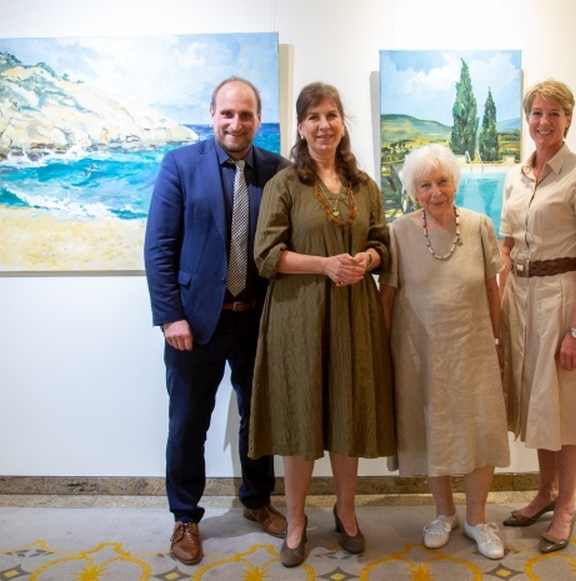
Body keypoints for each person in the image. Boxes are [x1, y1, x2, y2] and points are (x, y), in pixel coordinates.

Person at [249, 82, 395, 568]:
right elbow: (266, 255)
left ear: (342, 123)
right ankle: (295, 521)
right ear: (300, 127)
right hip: (299, 317)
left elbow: (382, 245)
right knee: (301, 415)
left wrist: (367, 259)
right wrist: (326, 265)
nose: (323, 125)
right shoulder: (284, 185)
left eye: (331, 115)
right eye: (313, 117)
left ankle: (346, 512)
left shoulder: (364, 186)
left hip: (354, 315)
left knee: (347, 413)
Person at [144, 76, 289, 566]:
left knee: (259, 420)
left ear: (259, 119)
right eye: (227, 113)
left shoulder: (278, 170)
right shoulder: (180, 164)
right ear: (212, 115)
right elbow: (159, 247)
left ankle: (257, 500)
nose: (235, 123)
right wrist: (171, 317)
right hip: (195, 325)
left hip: (258, 321)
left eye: (246, 114)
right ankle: (185, 516)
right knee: (188, 425)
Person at [379, 144, 510, 560]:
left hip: (474, 346)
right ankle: (444, 514)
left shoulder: (479, 226)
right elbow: (387, 295)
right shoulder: (398, 232)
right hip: (419, 349)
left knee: (480, 428)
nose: (435, 192)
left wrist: (498, 341)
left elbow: (492, 288)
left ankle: (477, 519)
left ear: (455, 182)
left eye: (442, 181)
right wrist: (382, 351)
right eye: (425, 185)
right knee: (432, 428)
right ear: (413, 190)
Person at [499, 79, 576, 553]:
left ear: (568, 119)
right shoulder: (516, 177)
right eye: (536, 113)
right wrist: (494, 311)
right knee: (539, 402)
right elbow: (505, 248)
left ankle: (566, 504)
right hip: (520, 299)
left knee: (565, 400)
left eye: (554, 113)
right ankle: (544, 492)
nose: (543, 122)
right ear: (528, 118)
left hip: (563, 299)